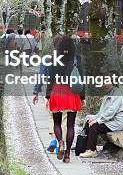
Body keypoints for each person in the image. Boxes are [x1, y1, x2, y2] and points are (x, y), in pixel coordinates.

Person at [34, 35, 85, 163]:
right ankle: (67, 153)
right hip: (72, 92)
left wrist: (48, 97)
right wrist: (82, 97)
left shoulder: (54, 59)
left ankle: (60, 142)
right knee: (71, 125)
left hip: (57, 91)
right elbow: (81, 79)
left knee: (57, 123)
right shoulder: (77, 59)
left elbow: (50, 79)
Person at [79, 82, 123, 158]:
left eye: (107, 82)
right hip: (110, 120)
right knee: (89, 120)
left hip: (118, 122)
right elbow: (102, 112)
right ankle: (82, 147)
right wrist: (94, 118)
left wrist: (97, 121)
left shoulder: (118, 94)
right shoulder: (109, 93)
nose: (105, 85)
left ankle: (92, 151)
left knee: (94, 126)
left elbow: (111, 112)